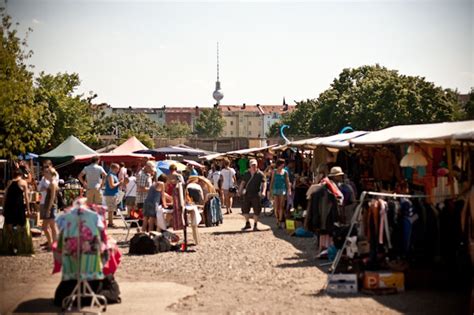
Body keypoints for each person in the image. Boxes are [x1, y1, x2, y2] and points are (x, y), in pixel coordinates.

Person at [2, 168, 33, 254]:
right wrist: (29, 209)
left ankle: (12, 244)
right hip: (18, 206)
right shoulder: (23, 183)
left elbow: (5, 196)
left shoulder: (9, 182)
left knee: (10, 225)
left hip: (9, 206)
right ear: (21, 175)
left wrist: (3, 208)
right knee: (21, 224)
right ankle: (19, 245)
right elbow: (26, 197)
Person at [238, 159, 266, 231]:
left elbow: (264, 183)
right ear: (250, 165)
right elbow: (243, 183)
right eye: (252, 165)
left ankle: (255, 225)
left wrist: (263, 192)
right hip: (247, 194)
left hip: (256, 194)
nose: (254, 166)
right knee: (245, 210)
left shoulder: (260, 174)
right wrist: (240, 191)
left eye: (255, 165)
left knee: (257, 210)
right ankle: (247, 223)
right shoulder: (246, 173)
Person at [269, 159, 291, 229]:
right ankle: (277, 218)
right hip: (275, 190)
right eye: (282, 164)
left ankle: (280, 220)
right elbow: (272, 181)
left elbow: (287, 182)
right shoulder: (274, 172)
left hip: (282, 190)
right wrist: (270, 191)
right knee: (276, 207)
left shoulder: (285, 172)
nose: (283, 165)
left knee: (281, 206)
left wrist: (289, 190)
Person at [41, 167, 59, 251]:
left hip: (50, 206)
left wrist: (48, 209)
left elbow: (52, 198)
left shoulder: (53, 183)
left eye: (46, 173)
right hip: (50, 206)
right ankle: (52, 244)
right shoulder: (52, 182)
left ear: (50, 174)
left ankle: (52, 244)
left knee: (47, 227)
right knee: (51, 226)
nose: (44, 174)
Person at [103, 163, 123, 228]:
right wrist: (119, 182)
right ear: (114, 168)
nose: (119, 170)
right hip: (110, 194)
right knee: (110, 210)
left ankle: (111, 222)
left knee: (112, 210)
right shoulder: (110, 175)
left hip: (113, 194)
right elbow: (112, 186)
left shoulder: (114, 175)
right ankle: (110, 223)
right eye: (118, 168)